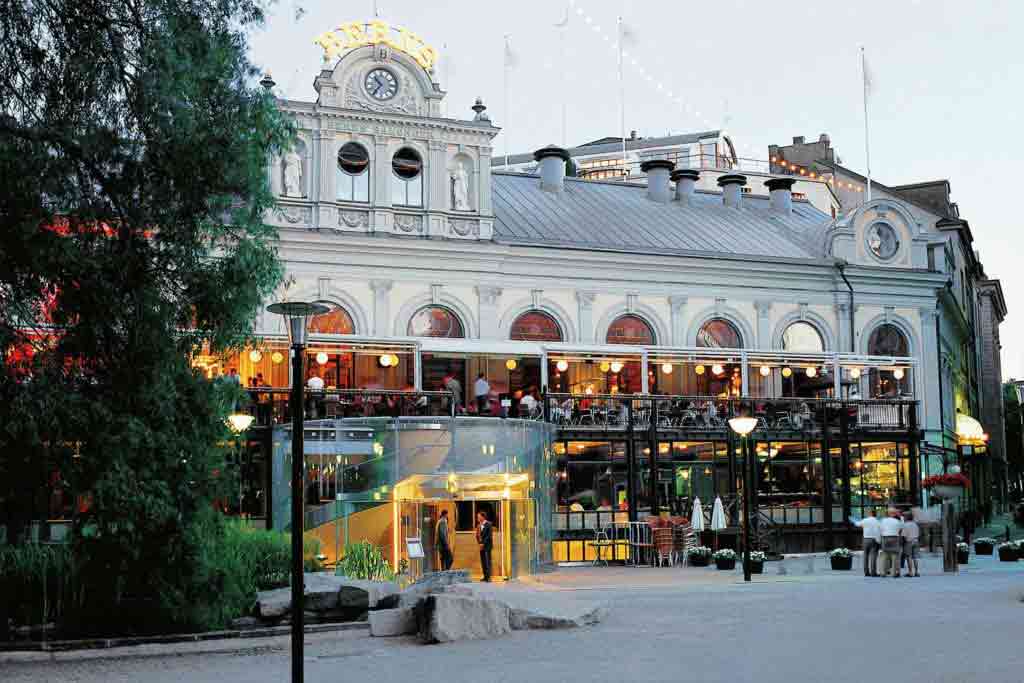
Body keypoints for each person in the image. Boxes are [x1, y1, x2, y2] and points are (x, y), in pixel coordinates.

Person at [853, 509, 881, 577]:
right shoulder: (877, 521)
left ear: (870, 513)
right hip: (874, 539)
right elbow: (879, 530)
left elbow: (857, 524)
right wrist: (879, 540)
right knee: (873, 556)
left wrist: (854, 520)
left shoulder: (865, 520)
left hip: (866, 539)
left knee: (865, 556)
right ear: (875, 514)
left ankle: (866, 572)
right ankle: (873, 572)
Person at [879, 508, 905, 578]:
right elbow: (901, 528)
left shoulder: (883, 521)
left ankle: (883, 572)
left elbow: (880, 529)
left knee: (884, 555)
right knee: (895, 556)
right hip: (894, 538)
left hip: (885, 538)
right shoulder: (897, 521)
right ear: (893, 514)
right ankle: (894, 573)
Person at [901, 510, 921, 577]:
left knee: (909, 557)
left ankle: (910, 572)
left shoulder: (905, 525)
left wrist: (902, 543)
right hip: (916, 541)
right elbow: (918, 533)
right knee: (915, 557)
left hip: (908, 542)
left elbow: (903, 535)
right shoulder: (915, 524)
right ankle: (917, 572)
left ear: (906, 518)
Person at [476, 510, 493, 582]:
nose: (478, 518)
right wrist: (479, 543)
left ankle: (489, 577)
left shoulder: (489, 524)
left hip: (487, 546)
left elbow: (489, 536)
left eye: (479, 516)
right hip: (481, 546)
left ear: (483, 517)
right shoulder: (479, 525)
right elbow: (477, 535)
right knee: (483, 561)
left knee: (487, 561)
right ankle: (485, 576)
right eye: (477, 517)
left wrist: (483, 543)